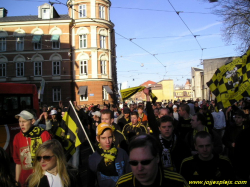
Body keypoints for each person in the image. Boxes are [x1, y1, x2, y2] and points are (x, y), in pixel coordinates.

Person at [116, 134, 189, 187]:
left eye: (145, 162)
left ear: (157, 158)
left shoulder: (178, 182)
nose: (140, 168)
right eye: (134, 163)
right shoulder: (122, 184)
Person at [13, 110, 51, 187]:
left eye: (24, 121)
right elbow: (18, 163)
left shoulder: (43, 135)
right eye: (20, 121)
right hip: (24, 182)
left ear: (33, 121)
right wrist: (16, 182)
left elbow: (51, 159)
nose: (21, 124)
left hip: (41, 180)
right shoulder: (17, 137)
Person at [87, 123, 131, 187]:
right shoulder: (93, 159)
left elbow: (130, 175)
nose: (107, 141)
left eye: (110, 137)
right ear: (97, 139)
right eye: (103, 138)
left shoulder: (122, 153)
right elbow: (90, 183)